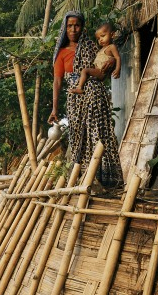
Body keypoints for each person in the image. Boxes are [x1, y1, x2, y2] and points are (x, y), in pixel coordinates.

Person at [48, 11, 123, 188]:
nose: (73, 29)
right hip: (75, 98)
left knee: (99, 136)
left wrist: (112, 62)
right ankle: (80, 181)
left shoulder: (92, 46)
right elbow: (57, 81)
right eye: (69, 26)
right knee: (77, 137)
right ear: (64, 28)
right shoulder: (61, 53)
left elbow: (102, 70)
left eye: (77, 25)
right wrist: (54, 108)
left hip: (96, 96)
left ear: (82, 27)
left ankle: (105, 182)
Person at [68, 22, 121, 94]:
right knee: (85, 72)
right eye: (98, 39)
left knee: (84, 71)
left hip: (101, 72)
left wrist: (118, 69)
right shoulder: (101, 49)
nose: (100, 40)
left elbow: (117, 57)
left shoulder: (111, 47)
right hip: (97, 71)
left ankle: (79, 88)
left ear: (112, 34)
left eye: (102, 36)